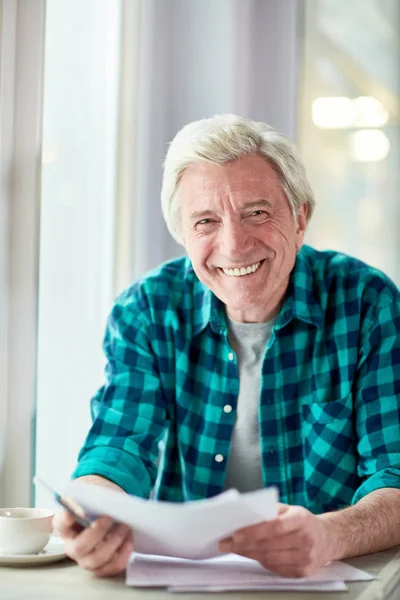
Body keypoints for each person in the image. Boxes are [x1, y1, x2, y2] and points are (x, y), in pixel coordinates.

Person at [54, 114, 400, 579]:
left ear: (299, 219)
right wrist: (93, 510)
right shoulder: (147, 310)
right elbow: (119, 446)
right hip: (186, 584)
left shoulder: (367, 303)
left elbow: (394, 473)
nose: (234, 245)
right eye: (206, 221)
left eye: (257, 212)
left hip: (332, 581)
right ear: (183, 234)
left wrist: (330, 534)